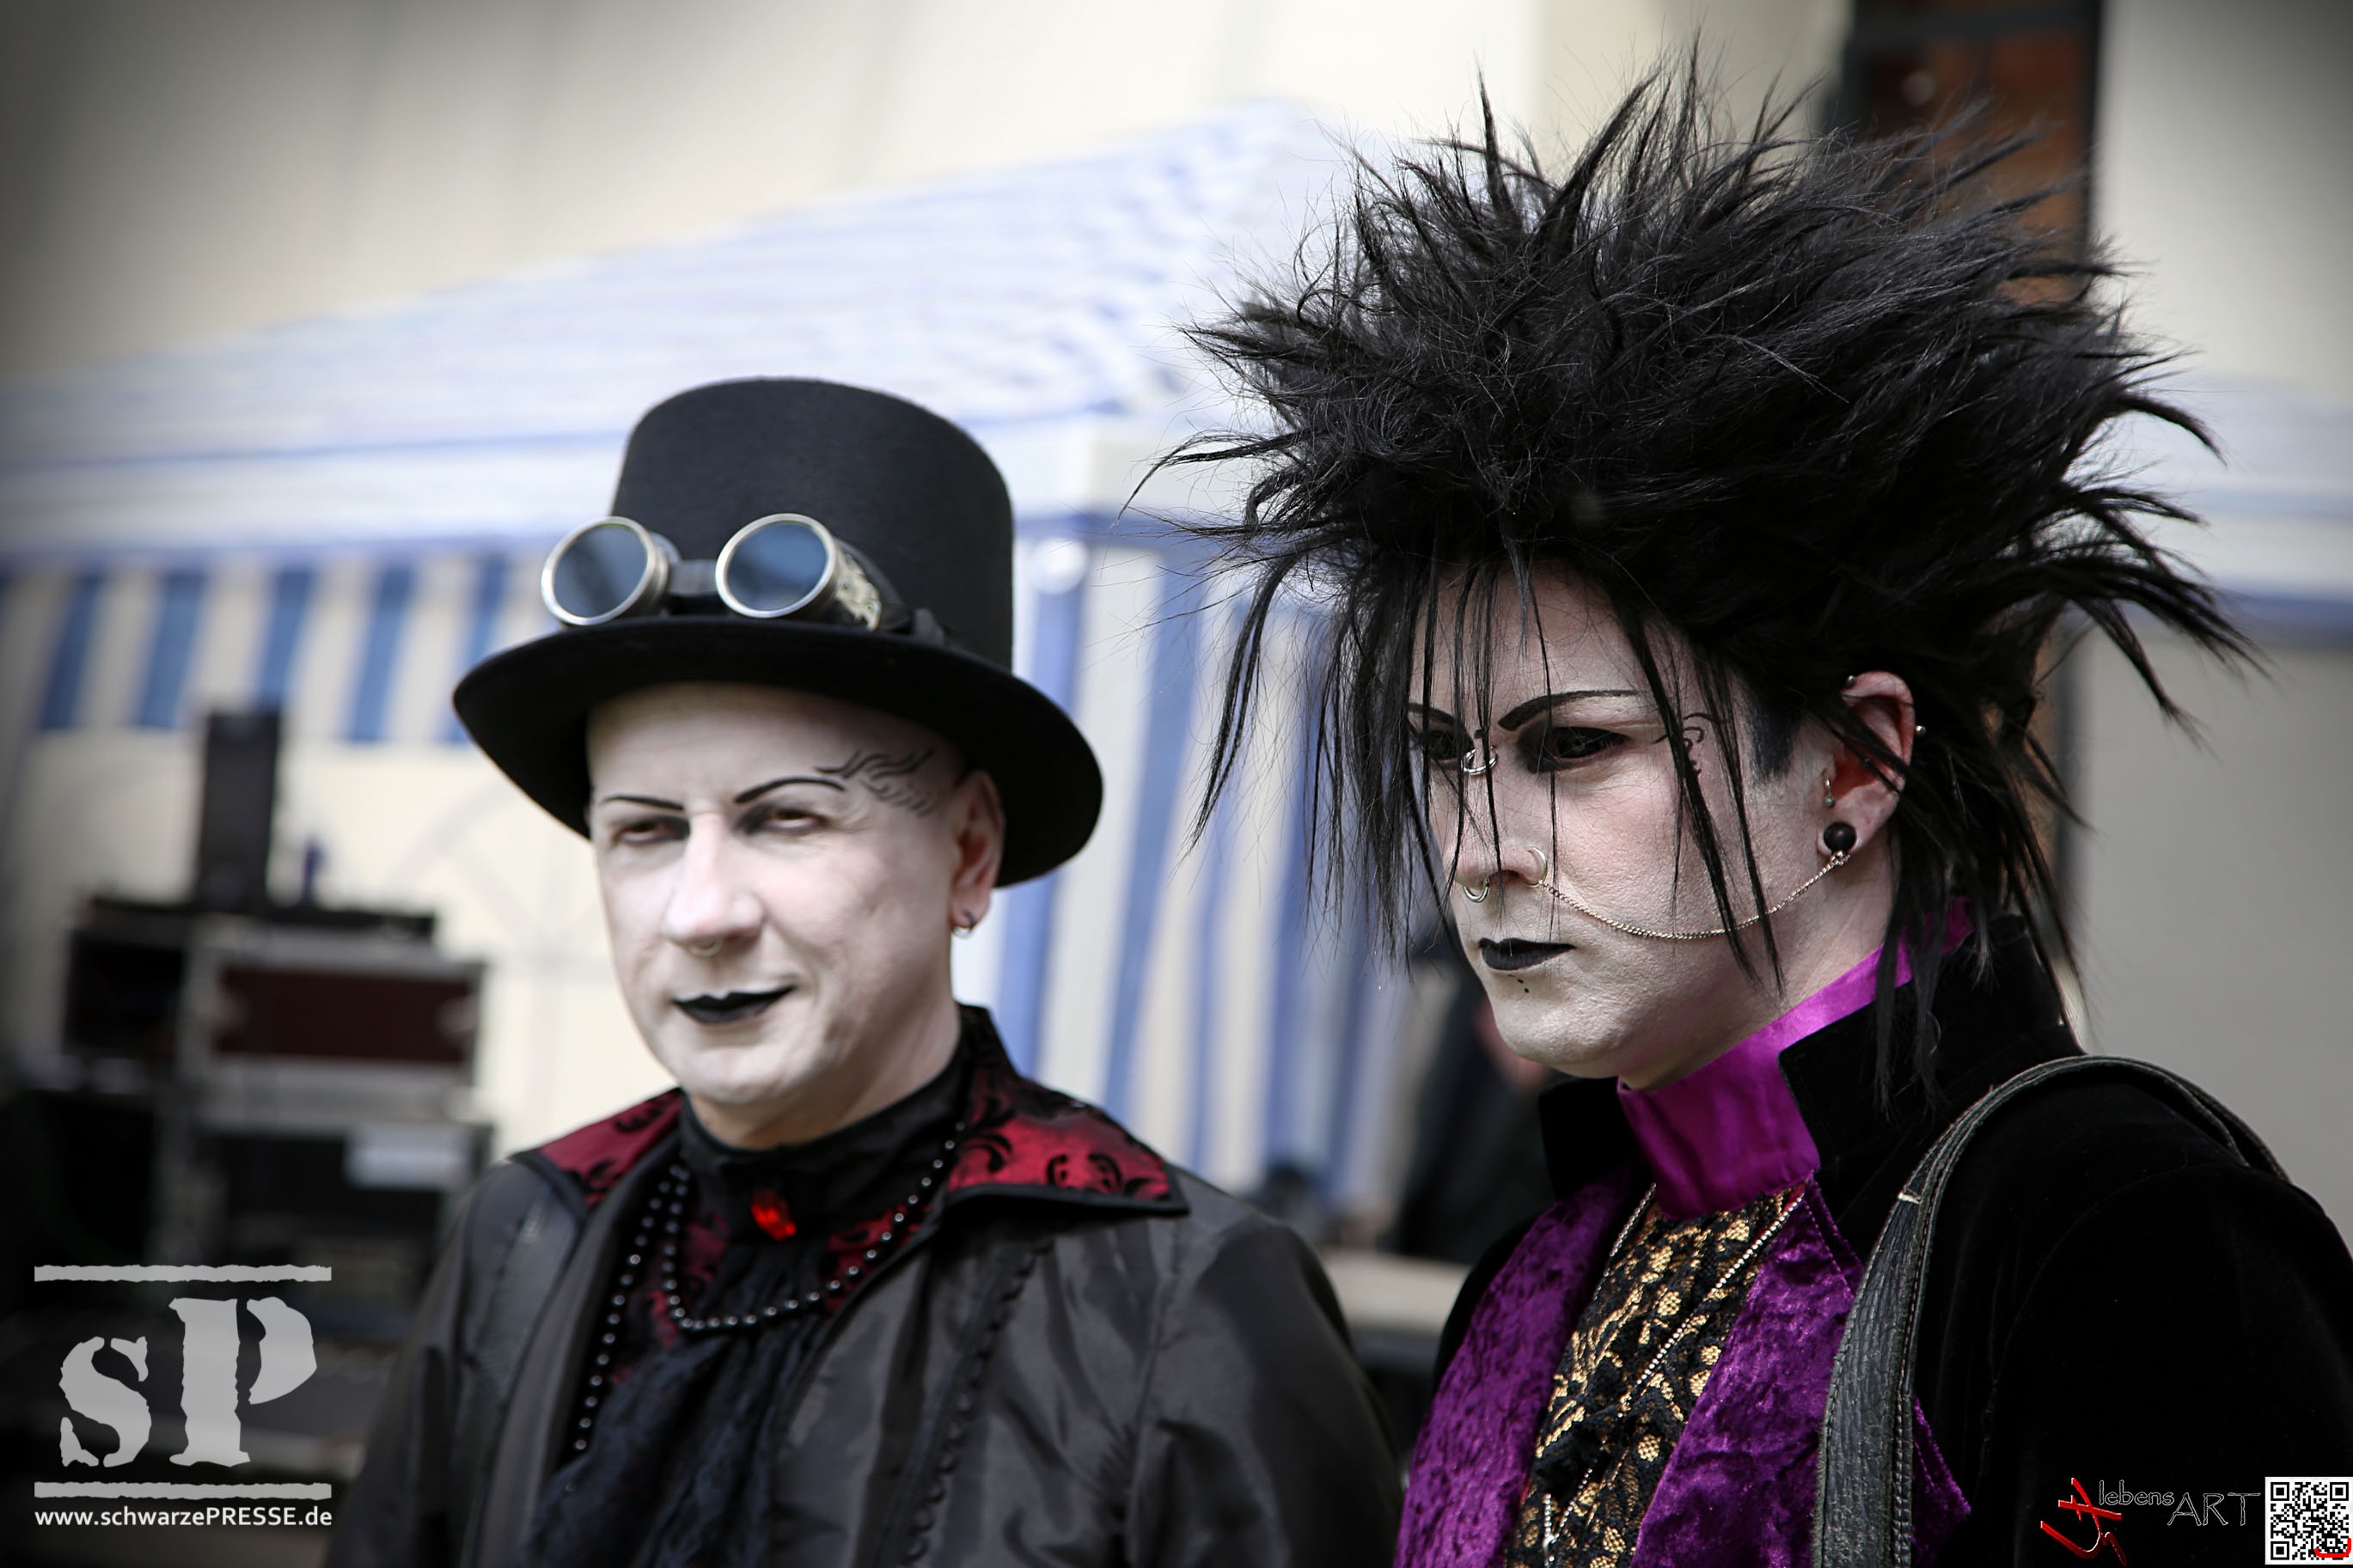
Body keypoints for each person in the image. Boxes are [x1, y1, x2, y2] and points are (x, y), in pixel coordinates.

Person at [1166, 71, 2353, 1567]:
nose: (1478, 845)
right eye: (1438, 753)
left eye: (1572, 746)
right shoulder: (1539, 1267)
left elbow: (2310, 1533)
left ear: (1853, 765)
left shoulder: (2127, 1227)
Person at [328, 379, 1400, 1568]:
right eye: (644, 830)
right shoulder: (524, 1234)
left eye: (786, 818)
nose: (700, 911)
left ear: (968, 851)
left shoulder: (1181, 1305)